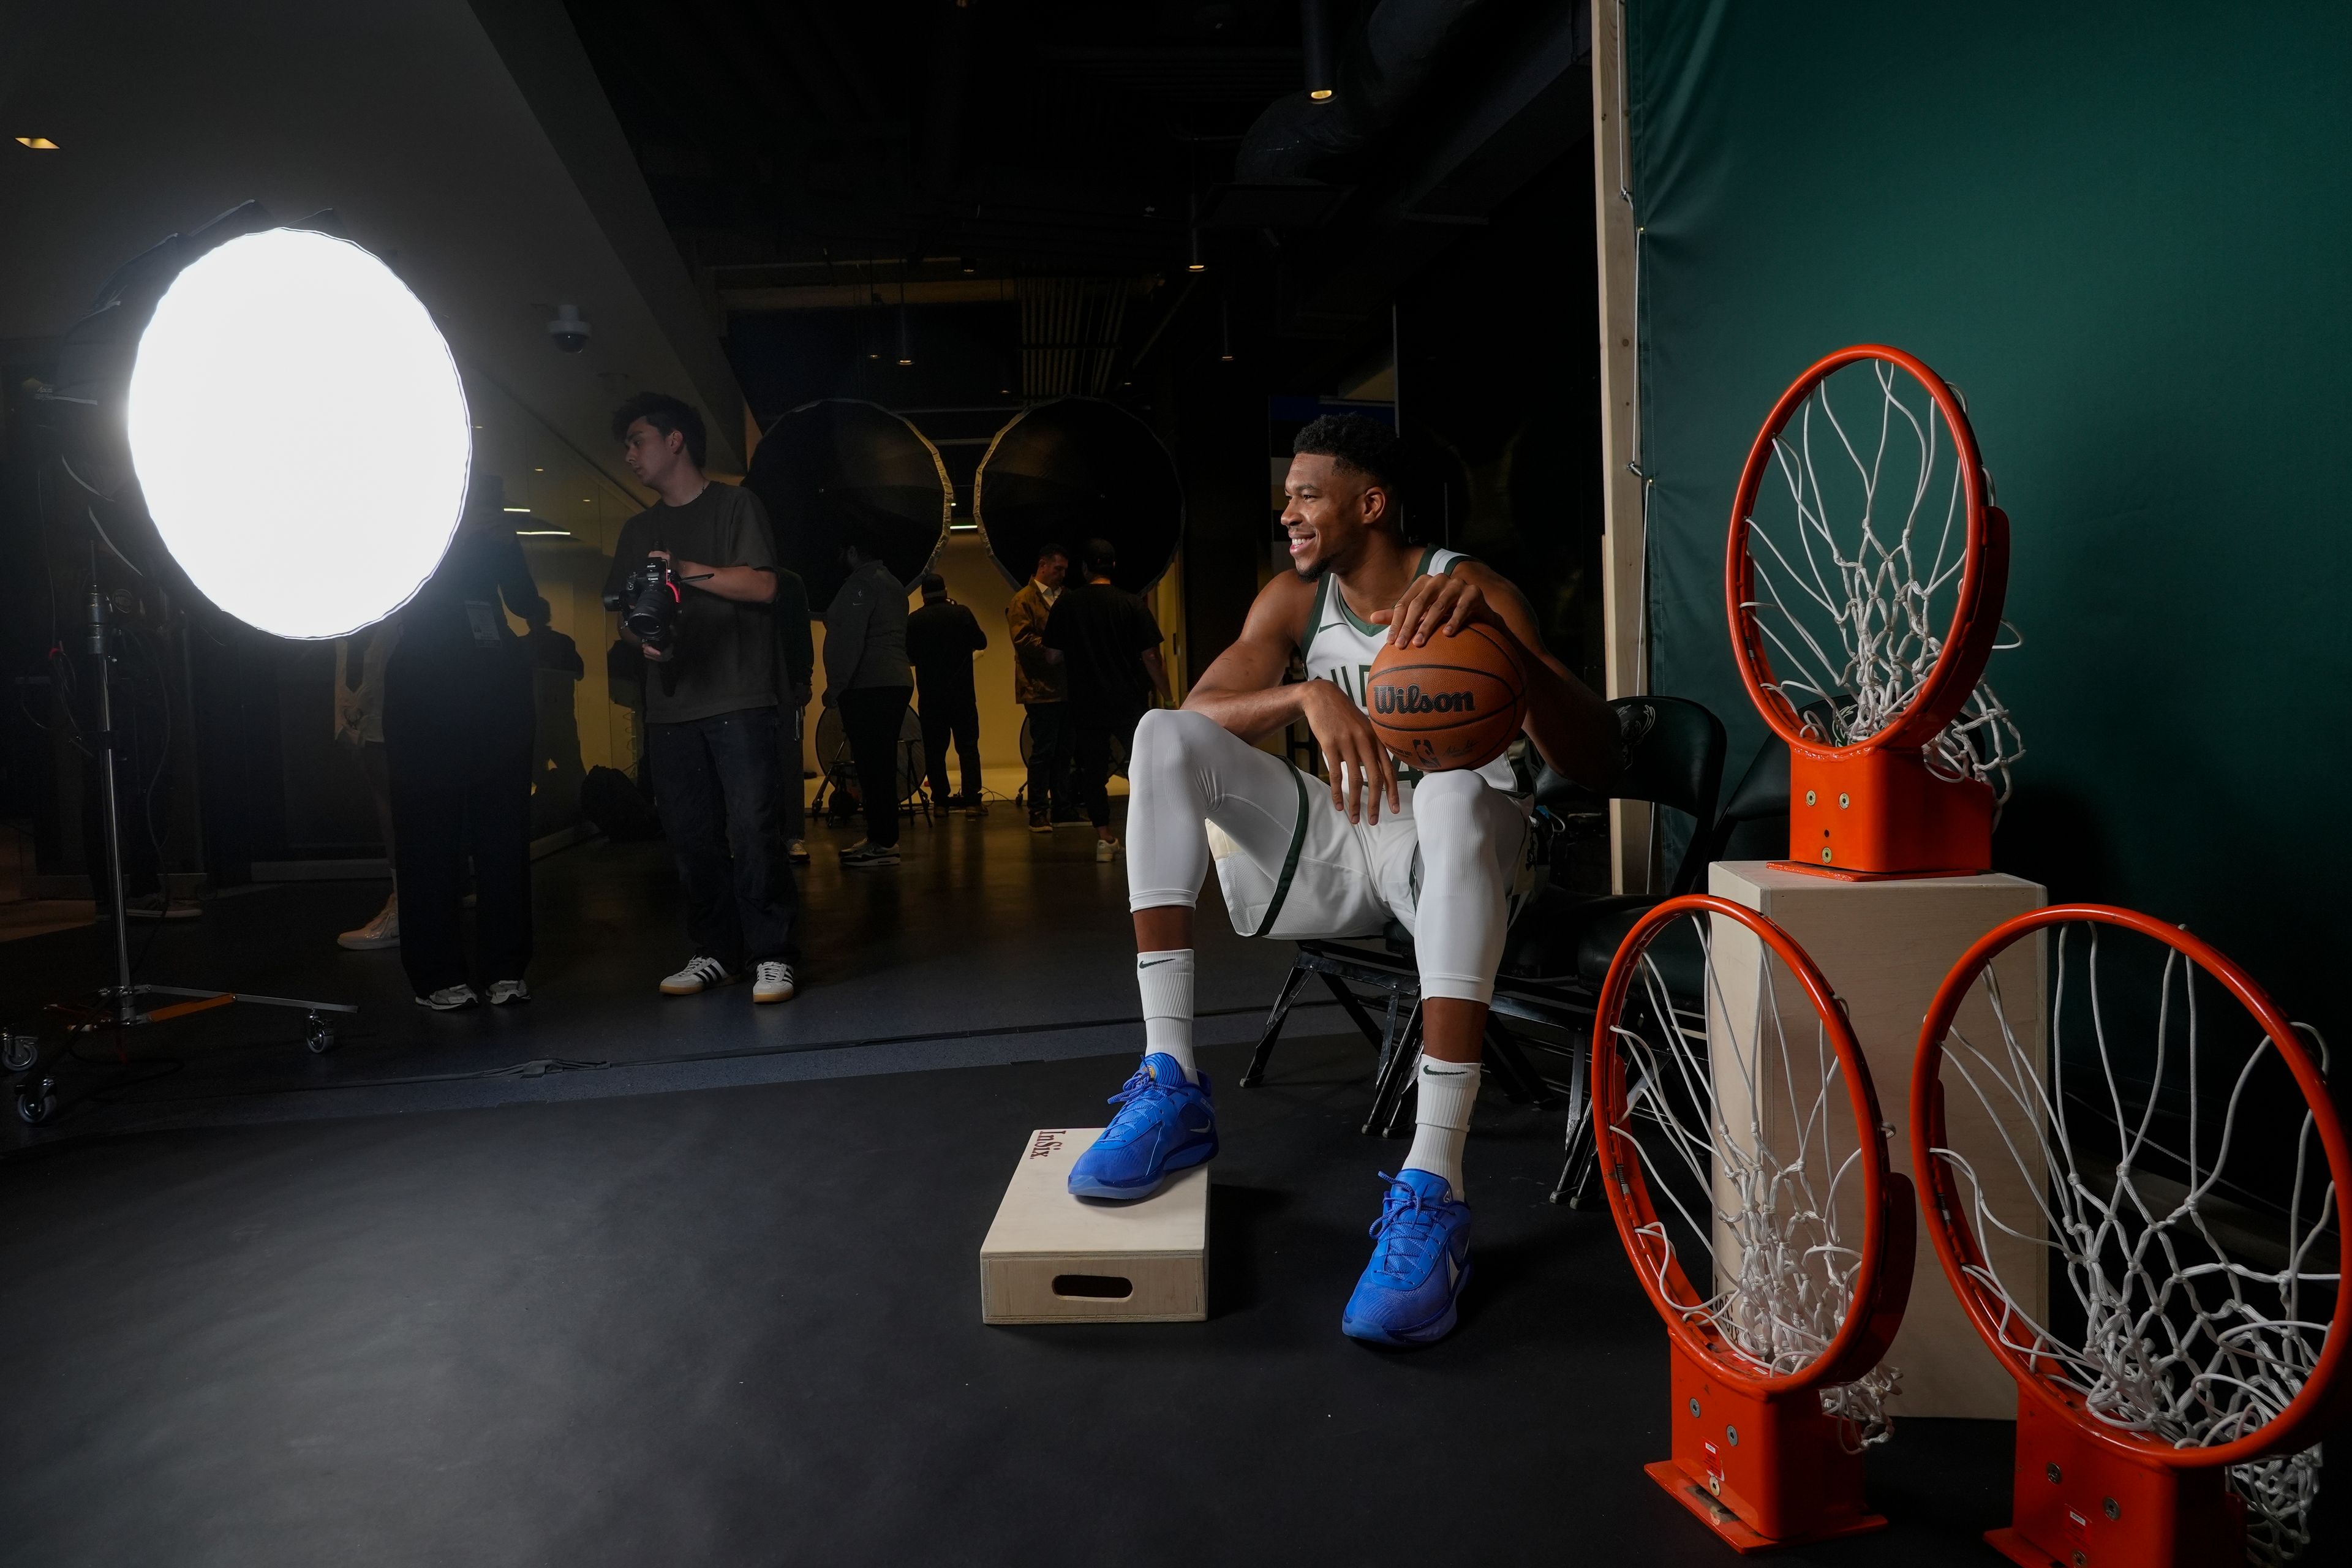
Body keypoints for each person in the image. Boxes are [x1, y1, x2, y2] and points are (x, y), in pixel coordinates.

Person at [1058, 415, 1616, 1347]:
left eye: (1308, 495)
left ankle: (1435, 1184)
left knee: (1446, 797)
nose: (1289, 514)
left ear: (1372, 503)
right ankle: (1171, 1083)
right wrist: (1305, 695)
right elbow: (1202, 713)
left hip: (1471, 849)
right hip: (1351, 836)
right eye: (1288, 498)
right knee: (1164, 734)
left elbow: (1595, 756)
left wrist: (1509, 654)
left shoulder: (1467, 587)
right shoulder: (1294, 601)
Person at [605, 391, 800, 1005]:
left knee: (754, 829)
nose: (629, 455)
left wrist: (682, 569)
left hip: (739, 697)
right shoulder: (637, 529)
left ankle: (772, 953)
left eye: (637, 441)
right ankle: (716, 950)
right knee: (690, 836)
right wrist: (644, 640)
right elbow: (623, 616)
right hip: (671, 703)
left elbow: (764, 585)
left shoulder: (735, 505)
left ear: (675, 441)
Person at [381, 481, 544, 1009]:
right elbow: (391, 596)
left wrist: (504, 544)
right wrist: (451, 537)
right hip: (425, 690)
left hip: (493, 687)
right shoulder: (406, 526)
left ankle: (506, 967)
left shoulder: (493, 535)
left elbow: (525, 603)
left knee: (503, 834)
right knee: (429, 836)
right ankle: (435, 972)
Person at [1044, 540, 1167, 862]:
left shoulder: (1066, 606)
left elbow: (1053, 656)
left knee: (1093, 771)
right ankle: (1149, 835)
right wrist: (1168, 695)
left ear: (1084, 569)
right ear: (1113, 567)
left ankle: (1105, 839)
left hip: (1085, 702)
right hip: (1129, 702)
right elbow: (1152, 655)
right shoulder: (1132, 603)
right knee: (1144, 767)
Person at [823, 539, 913, 867]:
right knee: (882, 765)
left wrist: (836, 687)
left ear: (852, 551)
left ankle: (883, 842)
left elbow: (849, 640)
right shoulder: (893, 584)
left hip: (869, 684)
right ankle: (881, 837)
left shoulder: (861, 583)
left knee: (871, 766)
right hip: (895, 679)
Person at [334, 619, 401, 950]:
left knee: (390, 799)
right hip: (380, 697)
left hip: (390, 699)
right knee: (390, 796)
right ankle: (421, 900)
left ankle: (407, 908)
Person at [907, 573, 989, 818]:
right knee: (968, 747)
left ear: (923, 595)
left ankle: (940, 802)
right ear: (945, 591)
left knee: (935, 750)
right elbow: (981, 642)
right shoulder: (961, 613)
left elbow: (909, 656)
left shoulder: (915, 620)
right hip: (962, 695)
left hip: (931, 697)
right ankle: (973, 801)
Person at [1006, 543, 1073, 832]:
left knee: (1064, 751)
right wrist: (1052, 650)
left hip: (1067, 687)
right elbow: (1022, 639)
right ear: (1042, 565)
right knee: (1044, 751)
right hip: (1039, 687)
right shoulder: (1023, 600)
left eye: (1064, 571)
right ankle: (1038, 811)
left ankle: (1063, 808)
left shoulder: (1067, 598)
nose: (1061, 575)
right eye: (1058, 569)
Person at [772, 565, 815, 864]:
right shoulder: (790, 581)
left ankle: (785, 834)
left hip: (770, 680)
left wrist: (802, 676)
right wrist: (803, 677)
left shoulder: (787, 582)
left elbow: (800, 632)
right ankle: (791, 836)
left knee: (780, 759)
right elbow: (801, 631)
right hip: (783, 679)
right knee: (788, 758)